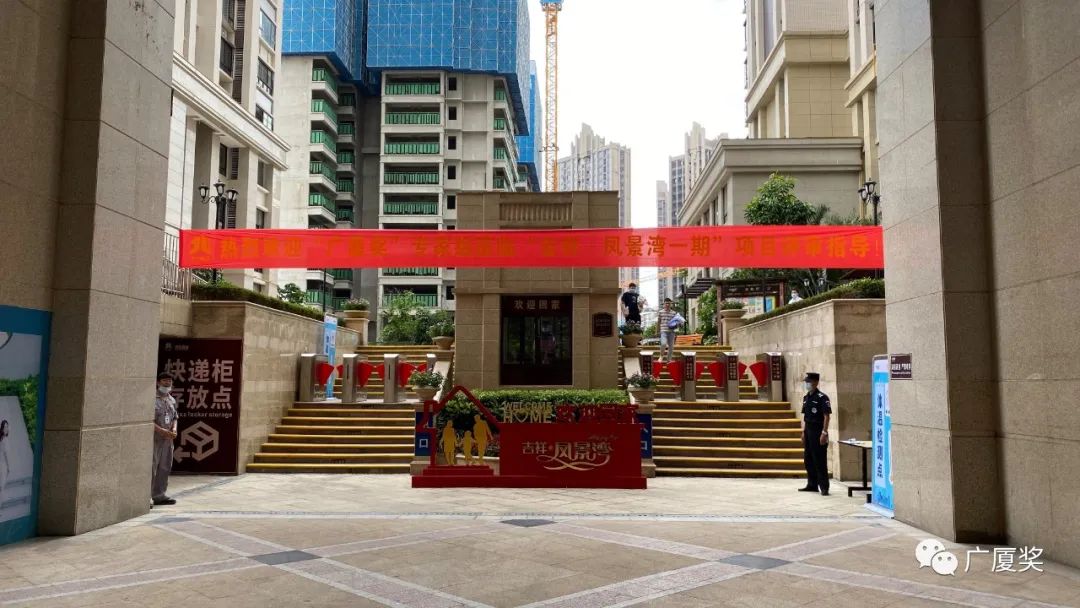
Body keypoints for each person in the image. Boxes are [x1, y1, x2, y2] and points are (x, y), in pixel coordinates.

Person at [798, 372, 832, 496]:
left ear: (816, 382)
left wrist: (824, 432)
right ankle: (812, 484)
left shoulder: (822, 397)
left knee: (819, 460)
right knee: (808, 459)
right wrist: (803, 432)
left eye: (809, 382)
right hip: (808, 430)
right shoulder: (806, 398)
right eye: (806, 382)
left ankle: (824, 487)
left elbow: (826, 416)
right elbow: (806, 418)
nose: (807, 384)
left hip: (818, 431)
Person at [152, 372, 178, 506]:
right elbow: (148, 421)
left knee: (165, 467)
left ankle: (159, 495)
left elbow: (175, 417)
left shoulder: (171, 399)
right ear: (158, 382)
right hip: (155, 439)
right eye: (164, 381)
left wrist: (174, 429)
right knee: (152, 467)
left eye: (169, 381)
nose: (167, 383)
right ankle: (147, 497)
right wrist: (161, 431)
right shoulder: (152, 399)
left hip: (168, 439)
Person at [0, 420, 9, 506]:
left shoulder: (2, 439)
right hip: (2, 465)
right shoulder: (4, 440)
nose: (6, 428)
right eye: (5, 427)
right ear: (2, 428)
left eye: (7, 426)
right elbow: (6, 455)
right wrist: (9, 466)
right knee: (2, 486)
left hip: (2, 464)